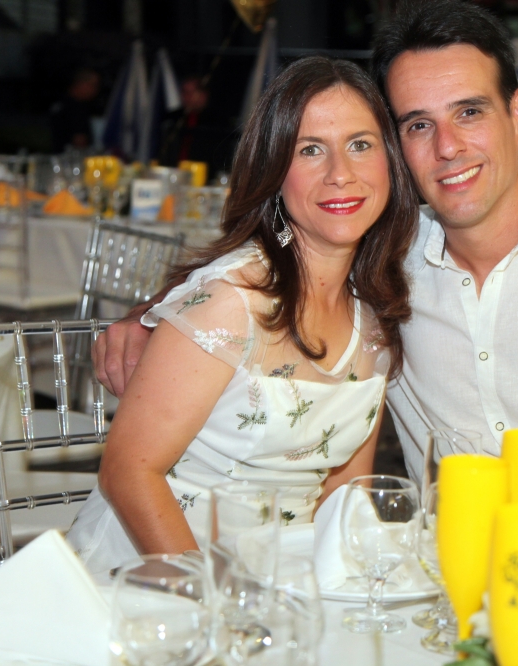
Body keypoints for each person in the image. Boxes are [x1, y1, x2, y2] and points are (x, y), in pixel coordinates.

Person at [93, 1, 518, 503]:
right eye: (418, 125)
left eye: (469, 112)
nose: (449, 147)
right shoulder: (383, 263)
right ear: (396, 146)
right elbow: (270, 264)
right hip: (452, 581)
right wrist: (151, 317)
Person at [66, 56, 418, 577]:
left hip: (286, 583)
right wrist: (214, 600)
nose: (340, 173)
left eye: (360, 145)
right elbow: (129, 472)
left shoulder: (372, 318)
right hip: (164, 574)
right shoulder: (230, 304)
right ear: (273, 171)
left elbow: (345, 491)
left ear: (391, 161)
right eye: (310, 149)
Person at [50, 68, 100, 151]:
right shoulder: (74, 108)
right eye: (93, 85)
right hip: (70, 156)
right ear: (82, 84)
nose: (95, 90)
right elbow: (79, 141)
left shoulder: (62, 103)